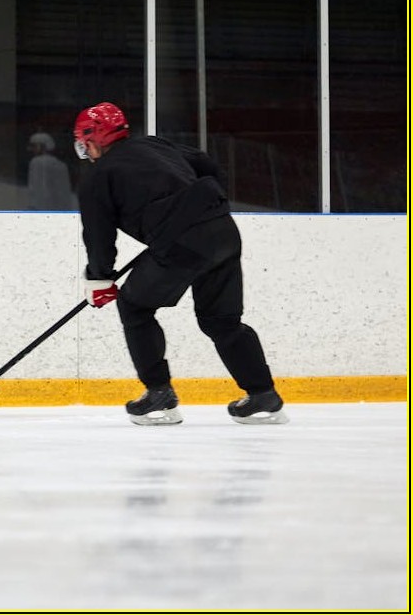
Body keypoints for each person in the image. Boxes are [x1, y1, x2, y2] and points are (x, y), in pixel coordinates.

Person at [72, 102, 287, 426]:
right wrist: (194, 209)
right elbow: (206, 164)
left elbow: (99, 236)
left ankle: (159, 393)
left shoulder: (98, 177)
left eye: (82, 143)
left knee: (134, 306)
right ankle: (263, 395)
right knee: (221, 321)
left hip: (183, 244)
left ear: (91, 140)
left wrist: (99, 278)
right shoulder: (153, 145)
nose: (84, 151)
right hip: (223, 230)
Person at [26, 132, 76, 211]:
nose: (32, 150)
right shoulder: (61, 165)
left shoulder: (36, 162)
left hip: (41, 209)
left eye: (34, 146)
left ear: (42, 146)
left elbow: (37, 189)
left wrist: (33, 207)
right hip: (59, 210)